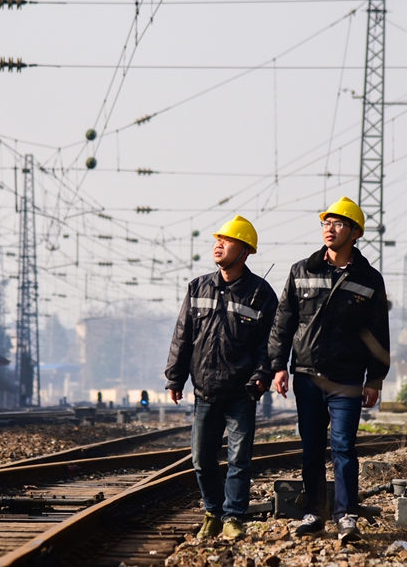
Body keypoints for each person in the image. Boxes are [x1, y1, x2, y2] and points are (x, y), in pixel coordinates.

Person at [269, 197, 390, 543]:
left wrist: (375, 378)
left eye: (338, 224)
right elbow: (283, 323)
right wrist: (279, 366)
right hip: (307, 374)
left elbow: (378, 333)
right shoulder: (301, 270)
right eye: (326, 223)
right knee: (311, 447)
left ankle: (346, 515)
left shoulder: (369, 279)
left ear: (355, 233)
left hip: (348, 380)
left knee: (343, 446)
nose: (329, 229)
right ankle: (313, 513)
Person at [165, 216, 277, 540]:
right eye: (217, 240)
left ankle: (233, 518)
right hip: (205, 392)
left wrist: (261, 376)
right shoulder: (198, 287)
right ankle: (213, 511)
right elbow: (182, 336)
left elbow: (269, 344)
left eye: (227, 241)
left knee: (238, 460)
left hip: (241, 393)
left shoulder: (260, 294)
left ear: (244, 251)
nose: (218, 245)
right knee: (201, 460)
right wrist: (175, 377)